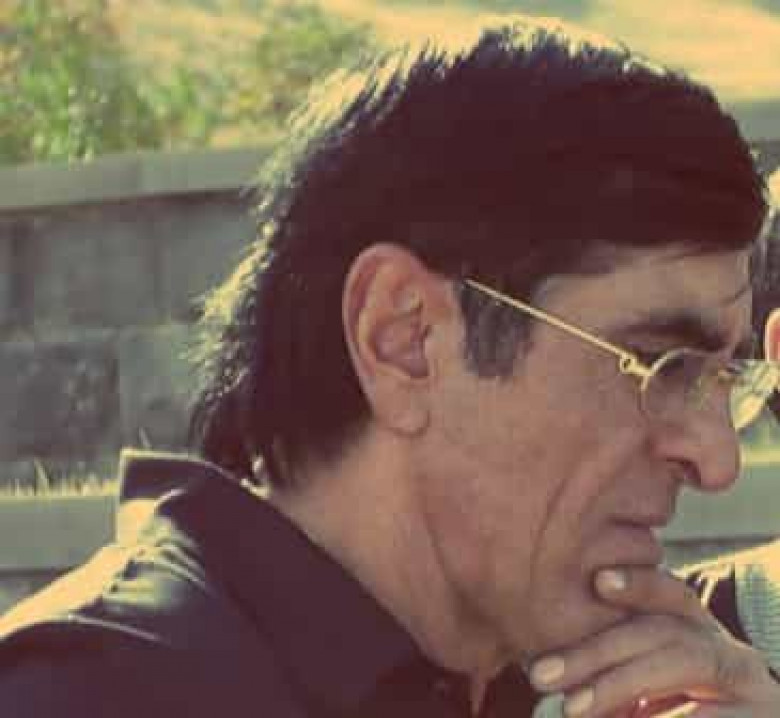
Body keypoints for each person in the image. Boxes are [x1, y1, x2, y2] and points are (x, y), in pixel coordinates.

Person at [0, 14, 777, 718]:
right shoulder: (94, 695)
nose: (717, 460)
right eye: (660, 364)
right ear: (402, 338)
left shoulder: (579, 686)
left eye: (723, 381)